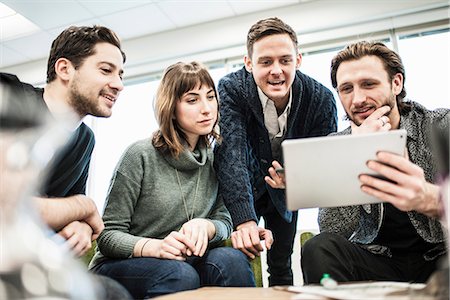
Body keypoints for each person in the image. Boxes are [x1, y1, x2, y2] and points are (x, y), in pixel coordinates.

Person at [89, 61, 255, 299]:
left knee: (231, 260)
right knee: (180, 274)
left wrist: (206, 227)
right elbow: (108, 236)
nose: (207, 108)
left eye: (210, 97)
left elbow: (224, 221)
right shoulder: (139, 155)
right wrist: (154, 247)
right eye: (192, 100)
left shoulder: (217, 159)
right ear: (171, 108)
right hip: (121, 265)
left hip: (184, 261)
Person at [300, 41, 449, 284]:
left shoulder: (440, 125)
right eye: (346, 89)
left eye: (369, 84)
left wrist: (430, 197)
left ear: (396, 83)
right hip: (379, 261)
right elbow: (334, 229)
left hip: (441, 258)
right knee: (318, 247)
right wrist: (355, 153)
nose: (358, 99)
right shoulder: (338, 144)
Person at [0, 25, 132, 299]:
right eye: (106, 70)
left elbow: (76, 212)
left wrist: (81, 224)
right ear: (65, 69)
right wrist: (83, 207)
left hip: (28, 264)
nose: (119, 84)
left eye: (120, 74)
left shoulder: (85, 140)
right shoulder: (10, 97)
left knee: (111, 294)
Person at [214, 17, 337, 286]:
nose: (276, 70)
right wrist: (244, 220)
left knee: (281, 264)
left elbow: (326, 162)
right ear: (248, 63)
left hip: (286, 194)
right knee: (235, 257)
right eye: (265, 61)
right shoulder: (231, 89)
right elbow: (230, 153)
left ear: (298, 60)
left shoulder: (321, 99)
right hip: (241, 187)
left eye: (285, 60)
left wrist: (299, 180)